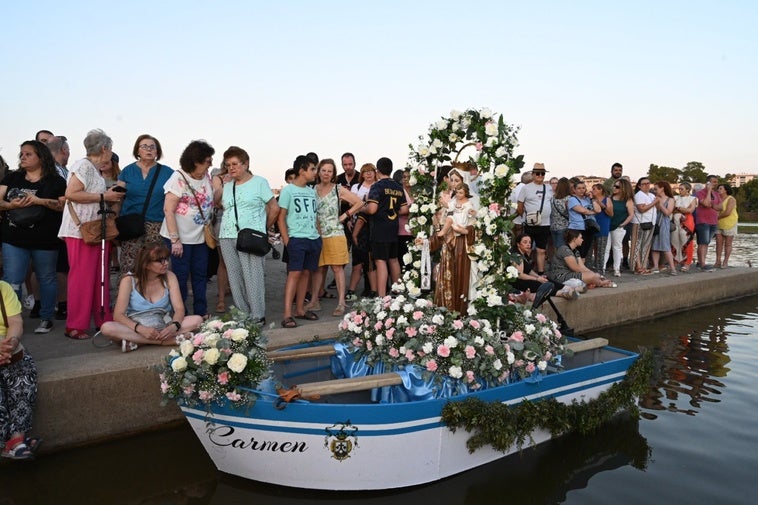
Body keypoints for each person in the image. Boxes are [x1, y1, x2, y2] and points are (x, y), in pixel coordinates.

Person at [58, 129, 124, 339]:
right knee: (83, 277)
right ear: (104, 149)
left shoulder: (92, 169)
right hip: (80, 231)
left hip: (95, 229)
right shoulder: (84, 165)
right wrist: (105, 195)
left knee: (100, 276)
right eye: (110, 149)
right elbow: (71, 193)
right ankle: (76, 325)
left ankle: (102, 319)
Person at [0, 141, 66, 334]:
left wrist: (39, 201)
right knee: (12, 279)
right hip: (14, 238)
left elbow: (62, 206)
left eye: (28, 154)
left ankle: (46, 318)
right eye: (21, 154)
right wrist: (12, 206)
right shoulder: (13, 177)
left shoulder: (56, 181)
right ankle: (11, 322)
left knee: (46, 278)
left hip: (45, 239)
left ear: (41, 157)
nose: (23, 157)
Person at [216, 146, 279, 323]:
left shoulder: (259, 182)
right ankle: (243, 314)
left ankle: (257, 315)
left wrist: (263, 229)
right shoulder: (228, 186)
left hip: (251, 236)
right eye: (228, 165)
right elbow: (219, 205)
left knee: (253, 276)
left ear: (246, 163)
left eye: (235, 164)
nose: (231, 168)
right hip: (227, 235)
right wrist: (220, 184)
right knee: (234, 277)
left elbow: (274, 208)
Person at [100, 243, 203, 351]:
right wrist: (140, 329)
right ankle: (164, 342)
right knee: (107, 328)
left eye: (166, 259)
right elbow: (118, 315)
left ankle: (138, 342)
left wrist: (174, 326)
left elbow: (179, 308)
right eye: (160, 261)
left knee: (197, 320)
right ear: (146, 264)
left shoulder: (170, 276)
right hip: (136, 326)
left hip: (163, 324)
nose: (166, 263)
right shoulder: (128, 280)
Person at [161, 140, 215, 318]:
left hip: (200, 237)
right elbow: (168, 210)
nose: (210, 164)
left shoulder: (206, 176)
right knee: (180, 277)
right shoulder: (178, 178)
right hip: (179, 238)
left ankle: (201, 312)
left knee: (201, 274)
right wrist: (175, 240)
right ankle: (180, 314)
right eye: (207, 161)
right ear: (195, 161)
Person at [305, 159, 363, 317]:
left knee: (337, 269)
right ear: (319, 172)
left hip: (335, 234)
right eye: (323, 170)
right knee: (318, 269)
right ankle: (314, 301)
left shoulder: (338, 189)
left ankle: (341, 302)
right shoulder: (313, 189)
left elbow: (359, 202)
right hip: (318, 234)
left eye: (329, 171)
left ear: (333, 174)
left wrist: (344, 216)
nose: (326, 173)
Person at [116, 135, 173, 276]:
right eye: (144, 146)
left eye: (152, 147)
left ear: (157, 151)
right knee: (130, 265)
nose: (149, 150)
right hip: (131, 226)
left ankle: (155, 296)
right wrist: (114, 222)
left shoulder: (168, 172)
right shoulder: (127, 171)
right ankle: (127, 296)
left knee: (156, 265)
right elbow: (118, 198)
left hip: (157, 225)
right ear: (138, 151)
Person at [278, 155, 321, 328]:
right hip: (297, 238)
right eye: (312, 169)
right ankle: (287, 313)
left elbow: (315, 215)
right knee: (294, 274)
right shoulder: (288, 190)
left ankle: (300, 310)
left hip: (313, 239)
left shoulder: (312, 192)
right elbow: (281, 218)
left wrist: (318, 234)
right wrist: (287, 241)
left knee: (306, 273)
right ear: (302, 171)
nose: (315, 172)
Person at [0, 281, 39, 460]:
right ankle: (5, 442)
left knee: (24, 371)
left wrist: (11, 343)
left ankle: (16, 439)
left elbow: (15, 322)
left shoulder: (3, 288)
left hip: (5, 346)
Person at [363, 157, 408, 297]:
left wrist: (362, 207)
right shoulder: (398, 187)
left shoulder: (377, 186)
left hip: (379, 228)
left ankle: (382, 297)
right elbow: (405, 210)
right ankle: (397, 293)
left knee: (380, 261)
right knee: (394, 260)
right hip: (393, 228)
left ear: (377, 171)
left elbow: (372, 209)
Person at [511, 234, 577, 300]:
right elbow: (520, 275)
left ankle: (566, 288)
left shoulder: (524, 254)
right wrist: (537, 279)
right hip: (517, 282)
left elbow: (529, 271)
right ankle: (561, 293)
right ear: (518, 244)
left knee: (545, 278)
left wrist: (538, 277)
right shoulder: (517, 256)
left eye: (530, 242)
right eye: (525, 242)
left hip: (524, 279)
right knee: (538, 283)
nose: (528, 244)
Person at [347, 163, 377, 299]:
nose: (369, 174)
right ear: (362, 174)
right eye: (366, 172)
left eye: (371, 171)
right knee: (358, 260)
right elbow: (350, 204)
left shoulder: (378, 186)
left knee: (370, 260)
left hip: (372, 226)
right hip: (356, 224)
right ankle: (351, 290)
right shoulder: (356, 187)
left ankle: (373, 290)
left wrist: (361, 204)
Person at [547, 230, 616, 288]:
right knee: (593, 276)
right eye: (580, 238)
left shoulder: (576, 251)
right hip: (560, 276)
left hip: (570, 274)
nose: (582, 240)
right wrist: (593, 275)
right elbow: (576, 268)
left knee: (595, 275)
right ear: (574, 239)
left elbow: (582, 266)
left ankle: (594, 282)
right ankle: (601, 283)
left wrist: (595, 274)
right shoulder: (565, 250)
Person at [517, 163, 552, 274]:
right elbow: (520, 205)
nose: (540, 175)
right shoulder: (526, 188)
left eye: (542, 173)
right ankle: (528, 271)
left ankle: (541, 272)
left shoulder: (549, 188)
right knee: (527, 249)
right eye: (538, 173)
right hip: (530, 224)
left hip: (545, 223)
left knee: (541, 249)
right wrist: (525, 217)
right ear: (533, 174)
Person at [209, 161, 231, 313]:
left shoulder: (247, 176)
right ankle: (221, 299)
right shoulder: (218, 175)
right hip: (222, 219)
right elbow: (216, 201)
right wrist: (225, 184)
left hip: (241, 220)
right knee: (223, 261)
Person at [694, 175, 722, 271]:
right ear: (708, 183)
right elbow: (705, 203)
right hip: (702, 221)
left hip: (713, 221)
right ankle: (703, 264)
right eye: (714, 182)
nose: (716, 184)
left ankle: (700, 262)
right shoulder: (700, 193)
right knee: (703, 242)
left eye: (716, 182)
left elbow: (720, 207)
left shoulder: (717, 194)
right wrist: (709, 191)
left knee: (706, 243)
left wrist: (711, 204)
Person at [608, 178, 635, 277]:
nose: (614, 188)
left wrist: (623, 224)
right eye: (614, 186)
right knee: (606, 248)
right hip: (608, 226)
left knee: (617, 247)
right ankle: (602, 268)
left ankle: (617, 269)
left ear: (623, 188)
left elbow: (631, 214)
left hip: (618, 227)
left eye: (617, 186)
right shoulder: (610, 198)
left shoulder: (628, 200)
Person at [629, 177, 656, 275]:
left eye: (648, 183)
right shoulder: (639, 195)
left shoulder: (652, 195)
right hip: (639, 223)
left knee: (646, 245)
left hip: (650, 222)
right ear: (639, 186)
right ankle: (637, 266)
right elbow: (641, 209)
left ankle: (643, 266)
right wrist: (654, 203)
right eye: (644, 184)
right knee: (637, 245)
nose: (647, 185)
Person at [650, 181, 678, 274]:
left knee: (666, 246)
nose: (654, 190)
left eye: (656, 188)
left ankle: (672, 268)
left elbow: (667, 212)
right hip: (655, 222)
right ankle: (655, 266)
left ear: (662, 188)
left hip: (664, 223)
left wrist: (659, 203)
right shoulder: (654, 198)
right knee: (654, 245)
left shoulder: (670, 200)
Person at [567, 179, 599, 259]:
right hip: (576, 228)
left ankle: (581, 270)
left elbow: (598, 210)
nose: (582, 190)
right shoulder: (572, 200)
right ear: (574, 189)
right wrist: (593, 212)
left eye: (583, 188)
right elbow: (583, 211)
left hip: (588, 228)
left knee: (584, 253)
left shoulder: (588, 199)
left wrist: (592, 199)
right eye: (579, 188)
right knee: (577, 253)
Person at [587, 183, 613, 273]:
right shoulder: (589, 199)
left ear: (600, 190)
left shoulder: (607, 199)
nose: (592, 190)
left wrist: (601, 204)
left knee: (601, 250)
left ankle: (600, 271)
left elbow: (611, 214)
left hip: (603, 226)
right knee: (588, 250)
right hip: (591, 227)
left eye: (594, 189)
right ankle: (588, 270)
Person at [671, 181, 697, 271]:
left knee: (687, 241)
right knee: (674, 240)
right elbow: (671, 209)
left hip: (687, 222)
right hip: (676, 221)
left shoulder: (692, 199)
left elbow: (690, 210)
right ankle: (675, 261)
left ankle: (687, 262)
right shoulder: (675, 198)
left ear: (688, 190)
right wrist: (681, 209)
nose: (680, 190)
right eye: (679, 189)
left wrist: (678, 209)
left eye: (682, 189)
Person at [715, 183, 738, 269]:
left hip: (730, 222)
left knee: (728, 244)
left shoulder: (731, 199)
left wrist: (717, 217)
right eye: (718, 189)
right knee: (718, 243)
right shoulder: (717, 199)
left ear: (726, 190)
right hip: (718, 223)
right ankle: (717, 261)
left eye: (720, 188)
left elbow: (728, 212)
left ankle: (725, 262)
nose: (718, 190)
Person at [550, 177, 571, 250]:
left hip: (553, 226)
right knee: (563, 249)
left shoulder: (553, 198)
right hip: (564, 226)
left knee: (556, 247)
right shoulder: (568, 198)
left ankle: (557, 260)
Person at [509, 170, 532, 238]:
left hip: (513, 220)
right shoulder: (524, 189)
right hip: (521, 221)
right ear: (529, 181)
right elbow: (520, 207)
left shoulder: (514, 189)